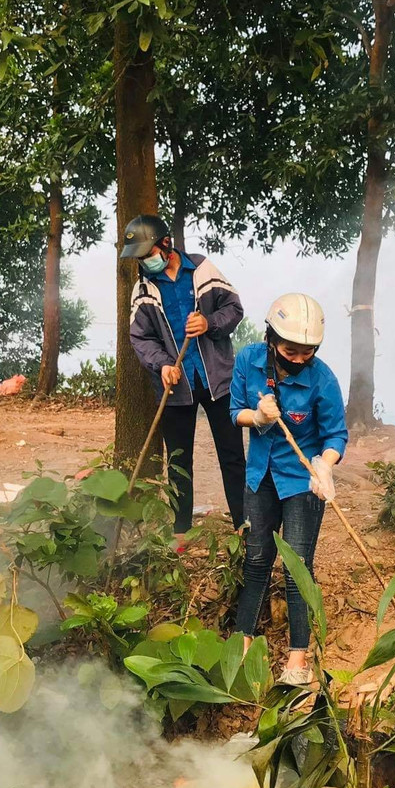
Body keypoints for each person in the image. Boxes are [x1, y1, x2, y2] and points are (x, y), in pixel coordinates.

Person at [231, 293, 347, 686]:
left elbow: (336, 434)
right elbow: (234, 412)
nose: (298, 358)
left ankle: (299, 656)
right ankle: (242, 644)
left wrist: (325, 466)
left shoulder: (322, 379)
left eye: (306, 352)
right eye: (289, 350)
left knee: (296, 565)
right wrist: (257, 416)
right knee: (257, 559)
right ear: (271, 339)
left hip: (302, 480)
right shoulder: (248, 360)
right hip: (260, 477)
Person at [123, 214, 247, 547]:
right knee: (178, 460)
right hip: (175, 385)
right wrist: (163, 365)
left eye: (147, 253)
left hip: (217, 380)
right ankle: (180, 532)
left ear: (165, 243)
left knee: (232, 455)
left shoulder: (203, 270)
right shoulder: (143, 289)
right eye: (139, 258)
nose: (143, 262)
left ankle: (243, 523)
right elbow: (141, 337)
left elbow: (234, 308)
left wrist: (208, 323)